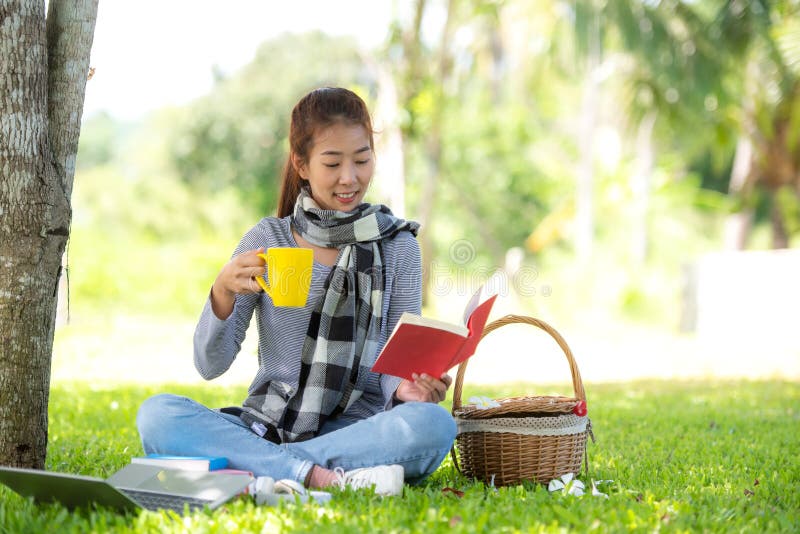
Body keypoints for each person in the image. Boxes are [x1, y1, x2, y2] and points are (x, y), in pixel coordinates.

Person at [136, 87, 457, 497]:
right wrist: (222, 292)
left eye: (362, 159)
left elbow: (393, 362)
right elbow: (209, 364)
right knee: (158, 415)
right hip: (266, 425)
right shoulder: (267, 239)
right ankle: (318, 476)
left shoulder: (398, 245)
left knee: (433, 425)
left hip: (357, 430)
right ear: (301, 165)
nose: (350, 177)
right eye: (333, 162)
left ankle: (267, 470)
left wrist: (405, 389)